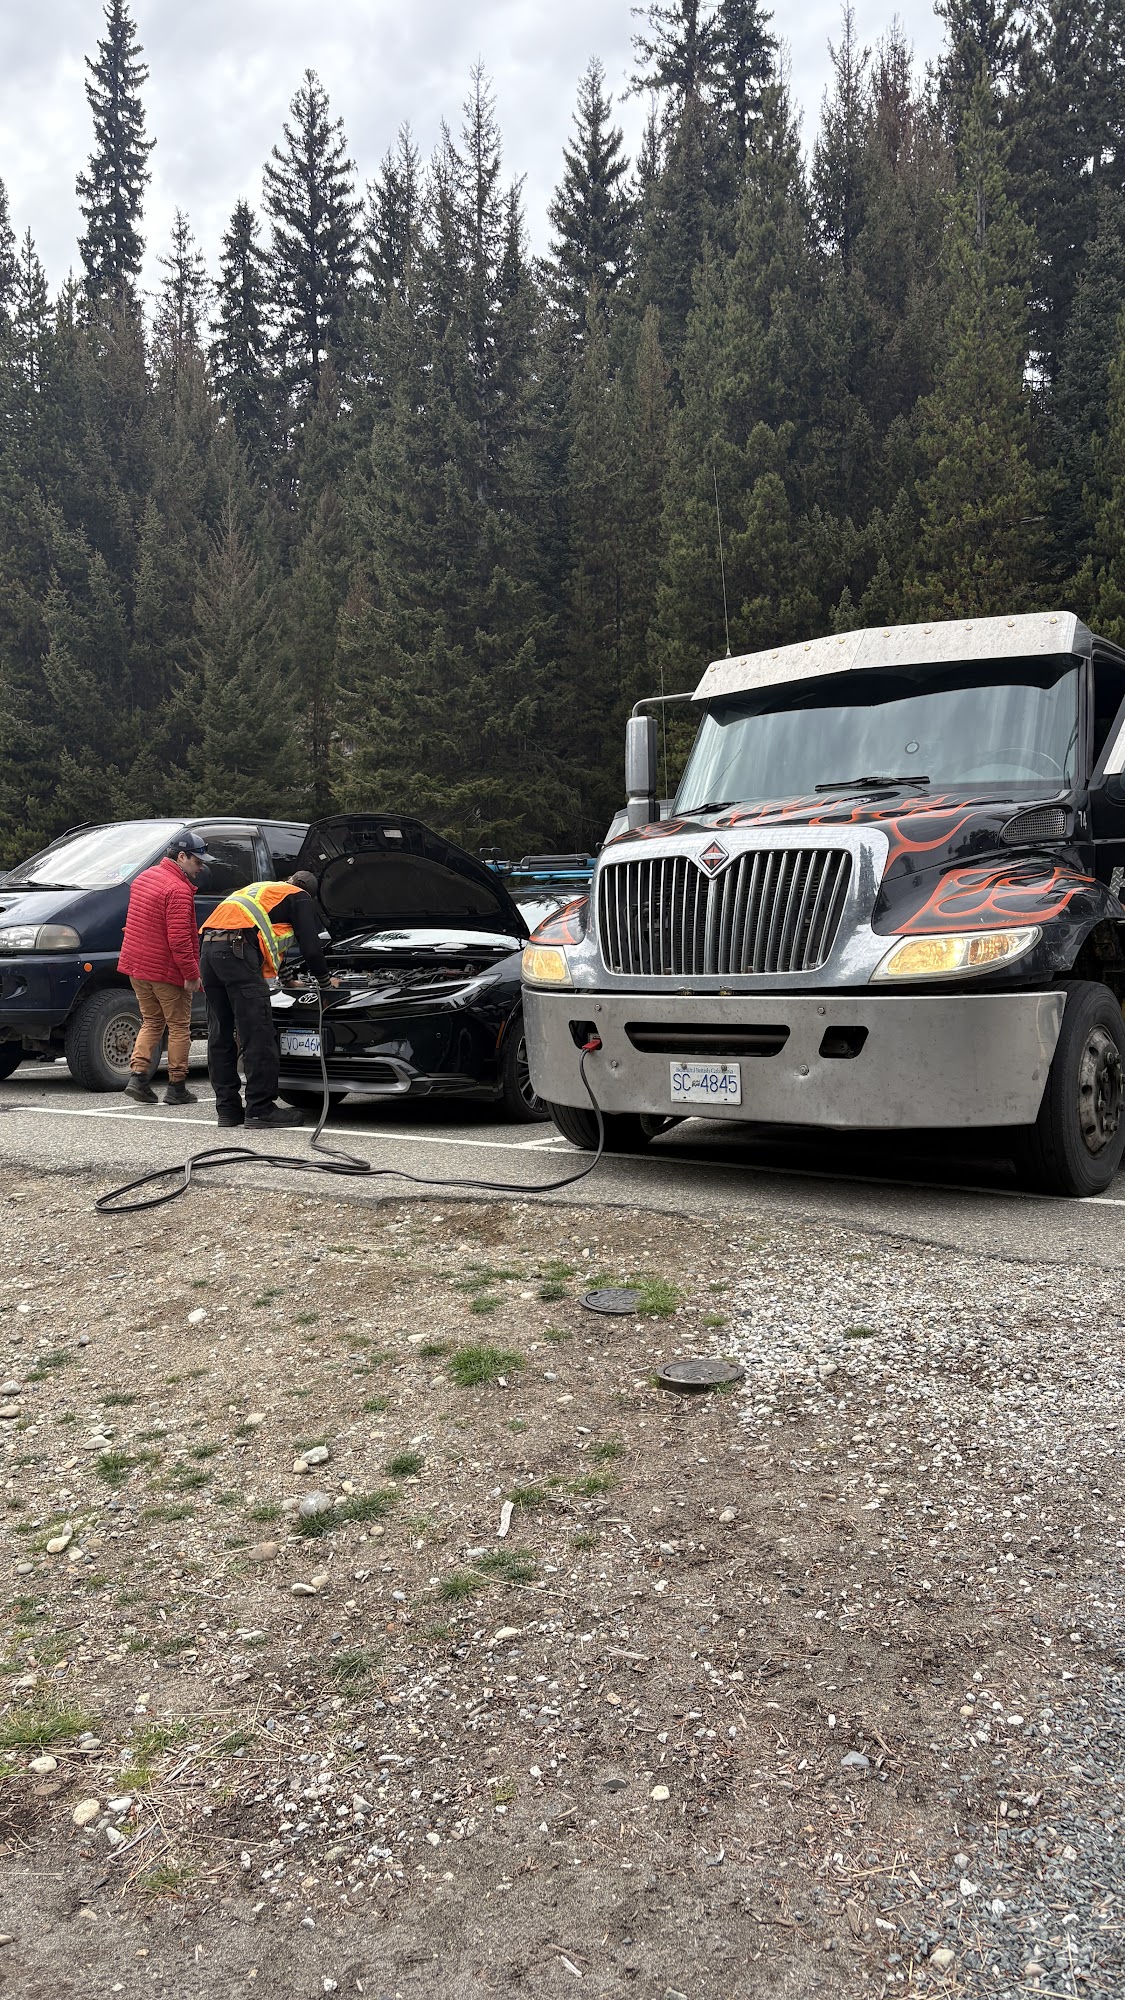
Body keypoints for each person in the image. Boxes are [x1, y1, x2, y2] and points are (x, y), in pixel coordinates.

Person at [200, 871, 334, 1129]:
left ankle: (227, 1110)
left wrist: (287, 979)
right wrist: (326, 986)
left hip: (208, 949)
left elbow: (268, 941)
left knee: (220, 1034)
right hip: (237, 951)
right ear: (309, 893)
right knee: (257, 1033)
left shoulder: (263, 890)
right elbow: (311, 949)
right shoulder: (300, 896)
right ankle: (260, 1109)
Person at [118, 828, 212, 1107]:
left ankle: (138, 1079)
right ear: (181, 857)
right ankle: (176, 1086)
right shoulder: (178, 890)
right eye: (197, 861)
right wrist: (192, 975)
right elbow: (180, 941)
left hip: (137, 966)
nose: (201, 868)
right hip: (165, 971)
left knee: (151, 1021)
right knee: (179, 1026)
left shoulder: (144, 877)